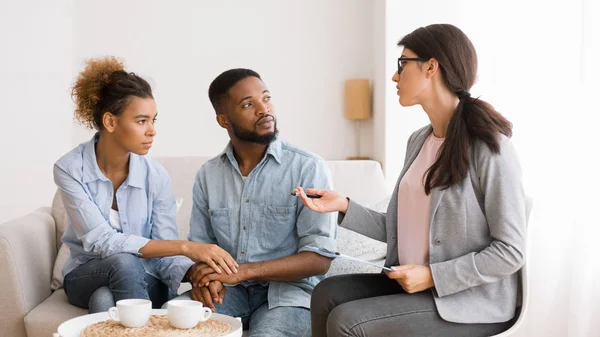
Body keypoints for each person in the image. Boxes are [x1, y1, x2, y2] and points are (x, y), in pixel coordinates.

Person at [294, 23, 527, 337]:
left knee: (347, 321)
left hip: (466, 301)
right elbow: (400, 227)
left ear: (431, 67)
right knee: (325, 295)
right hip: (414, 288)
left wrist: (433, 276)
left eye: (402, 65)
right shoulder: (418, 141)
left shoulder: (490, 148)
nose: (394, 76)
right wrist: (343, 206)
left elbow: (510, 252)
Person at [54, 56, 238, 313]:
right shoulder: (71, 168)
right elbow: (101, 242)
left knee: (104, 301)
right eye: (142, 121)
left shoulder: (156, 175)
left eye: (154, 120)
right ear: (110, 122)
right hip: (87, 274)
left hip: (146, 277)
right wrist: (186, 247)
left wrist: (198, 273)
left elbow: (164, 253)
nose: (152, 131)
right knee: (123, 262)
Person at [179, 68, 336, 337]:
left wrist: (242, 272)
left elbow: (320, 258)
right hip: (227, 292)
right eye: (249, 104)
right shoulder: (209, 175)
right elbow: (200, 248)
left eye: (266, 98)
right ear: (223, 120)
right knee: (171, 321)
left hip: (288, 297)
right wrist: (202, 278)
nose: (264, 109)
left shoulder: (308, 167)